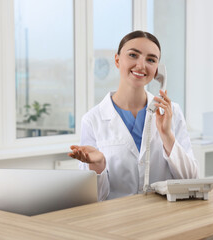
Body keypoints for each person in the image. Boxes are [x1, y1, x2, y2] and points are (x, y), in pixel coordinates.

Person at [68, 30, 199, 201]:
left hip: (163, 218)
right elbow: (95, 198)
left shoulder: (171, 112)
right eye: (133, 55)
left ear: (158, 70)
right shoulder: (93, 119)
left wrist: (167, 135)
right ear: (117, 60)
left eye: (151, 60)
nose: (141, 65)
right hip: (117, 221)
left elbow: (191, 180)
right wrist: (98, 164)